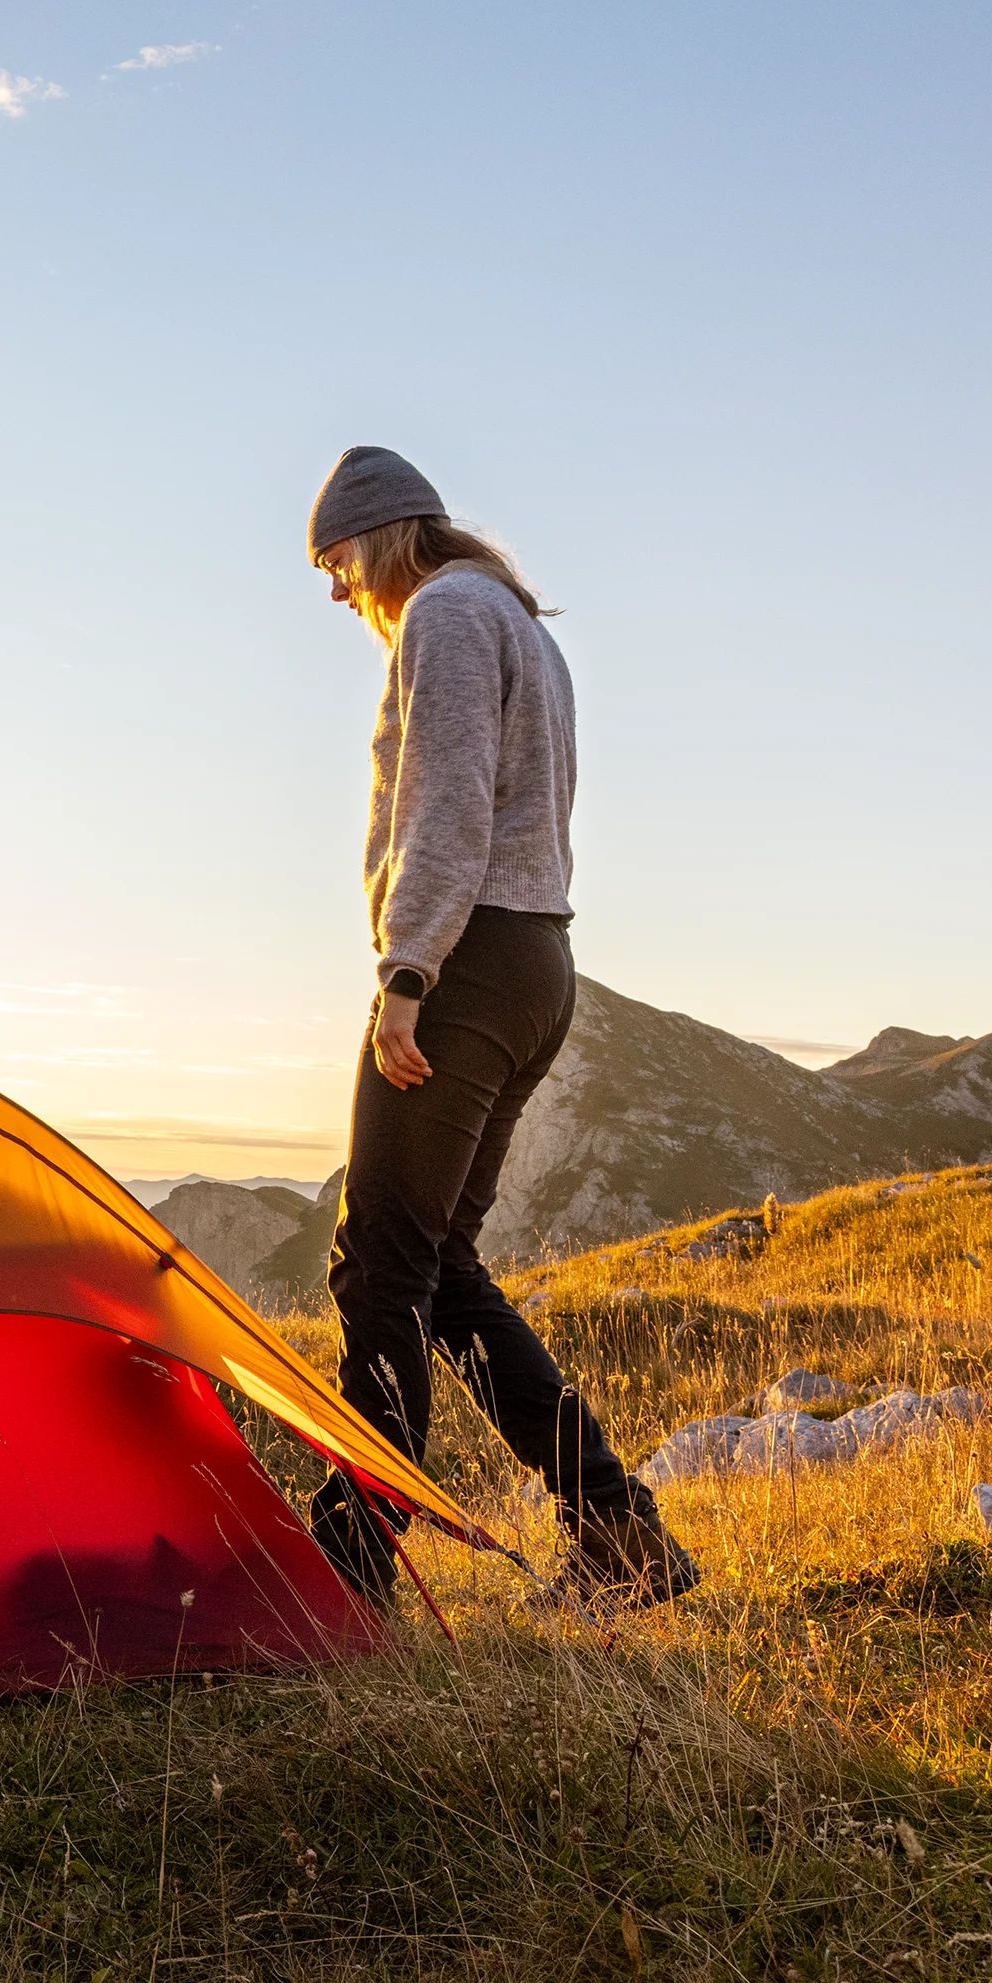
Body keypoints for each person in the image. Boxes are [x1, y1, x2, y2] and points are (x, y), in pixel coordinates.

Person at [297, 450, 698, 1613]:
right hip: (537, 960)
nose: (335, 593)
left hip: (470, 961)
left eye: (333, 562)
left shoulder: (447, 614)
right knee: (441, 1268)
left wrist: (407, 967)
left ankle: (352, 1564)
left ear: (378, 541)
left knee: (377, 1262)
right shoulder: (516, 620)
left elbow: (448, 795)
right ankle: (621, 1530)